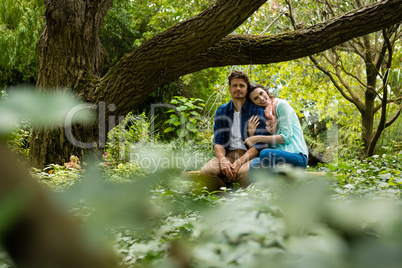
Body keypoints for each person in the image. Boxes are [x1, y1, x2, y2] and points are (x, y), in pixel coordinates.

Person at [200, 71, 269, 192]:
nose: (238, 88)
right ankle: (226, 201)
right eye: (235, 85)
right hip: (230, 154)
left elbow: (259, 145)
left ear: (247, 89)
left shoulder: (257, 110)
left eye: (242, 85)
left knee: (243, 173)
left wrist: (239, 162)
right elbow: (218, 141)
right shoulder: (222, 110)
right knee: (206, 172)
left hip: (250, 155)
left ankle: (242, 205)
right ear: (229, 89)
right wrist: (223, 160)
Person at [244, 84, 308, 180]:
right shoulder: (266, 116)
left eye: (261, 93)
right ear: (253, 102)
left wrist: (256, 138)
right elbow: (263, 147)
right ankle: (257, 193)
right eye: (256, 98)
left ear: (266, 91)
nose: (261, 98)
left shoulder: (281, 105)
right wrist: (252, 133)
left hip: (298, 157)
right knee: (254, 164)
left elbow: (286, 137)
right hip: (279, 159)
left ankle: (273, 192)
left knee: (266, 154)